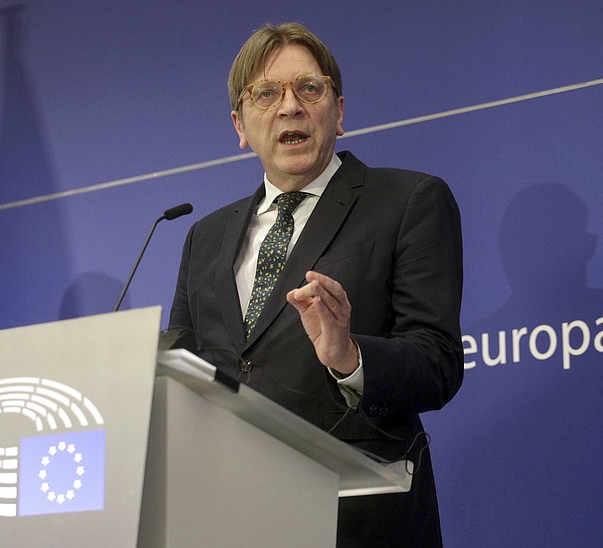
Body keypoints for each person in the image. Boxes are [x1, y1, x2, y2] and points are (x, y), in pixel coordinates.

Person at [169, 22, 463, 547]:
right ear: (240, 125)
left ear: (339, 111)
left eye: (309, 88)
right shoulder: (204, 238)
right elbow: (188, 375)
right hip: (232, 519)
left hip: (359, 521)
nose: (289, 107)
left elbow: (437, 363)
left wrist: (349, 356)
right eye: (266, 94)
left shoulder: (407, 201)